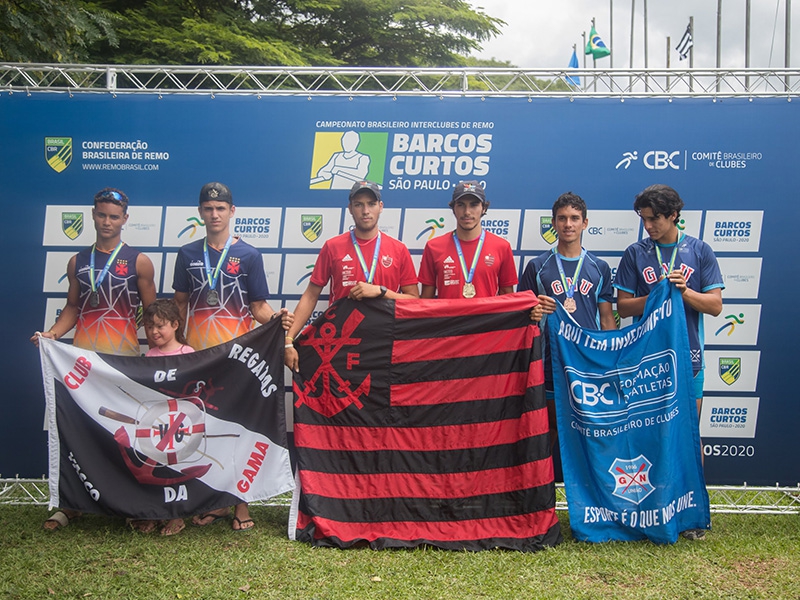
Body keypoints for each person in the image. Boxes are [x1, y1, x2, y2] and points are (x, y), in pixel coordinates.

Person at [31, 187, 157, 530]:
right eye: (101, 214)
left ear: (125, 220)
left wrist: (163, 351)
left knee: (124, 432)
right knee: (80, 429)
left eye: (114, 216)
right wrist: (53, 335)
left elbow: (153, 313)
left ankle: (131, 503)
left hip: (123, 361)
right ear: (93, 214)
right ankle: (72, 505)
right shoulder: (78, 261)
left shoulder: (139, 261)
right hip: (83, 361)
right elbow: (73, 307)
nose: (107, 221)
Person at [173, 181, 293, 531]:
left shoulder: (250, 256)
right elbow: (179, 304)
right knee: (200, 430)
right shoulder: (188, 254)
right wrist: (177, 351)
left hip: (237, 358)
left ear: (232, 211)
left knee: (238, 432)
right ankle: (210, 502)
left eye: (220, 209)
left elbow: (257, 307)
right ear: (200, 212)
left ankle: (240, 505)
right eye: (208, 209)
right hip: (199, 356)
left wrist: (276, 322)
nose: (214, 214)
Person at [613, 184, 723, 541]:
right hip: (646, 360)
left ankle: (691, 517)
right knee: (647, 434)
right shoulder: (635, 253)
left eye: (655, 218)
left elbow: (715, 305)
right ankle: (649, 508)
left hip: (688, 357)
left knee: (688, 435)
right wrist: (657, 293)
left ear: (674, 214)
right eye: (644, 219)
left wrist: (683, 291)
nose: (649, 226)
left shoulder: (699, 251)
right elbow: (623, 307)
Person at [285, 180, 418, 371]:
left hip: (385, 343)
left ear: (381, 207)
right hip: (342, 344)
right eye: (359, 204)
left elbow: (414, 301)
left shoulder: (398, 249)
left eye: (371, 204)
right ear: (350, 208)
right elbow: (311, 295)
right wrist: (289, 340)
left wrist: (381, 292)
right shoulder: (333, 246)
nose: (365, 211)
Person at [519, 192, 617, 450]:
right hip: (550, 361)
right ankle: (543, 489)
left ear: (585, 223)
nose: (568, 224)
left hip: (588, 363)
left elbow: (607, 319)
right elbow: (523, 318)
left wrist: (612, 362)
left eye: (574, 218)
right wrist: (536, 309)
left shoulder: (600, 267)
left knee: (589, 433)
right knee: (548, 430)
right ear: (553, 223)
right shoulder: (538, 266)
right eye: (562, 218)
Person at [141, 298, 194, 536]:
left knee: (176, 471)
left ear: (175, 324)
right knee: (153, 470)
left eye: (160, 326)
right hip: (154, 423)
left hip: (180, 425)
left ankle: (177, 516)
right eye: (149, 326)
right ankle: (153, 514)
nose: (154, 331)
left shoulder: (189, 354)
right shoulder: (148, 356)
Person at [419, 181, 519, 299]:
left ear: (484, 208)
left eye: (474, 205)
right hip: (448, 318)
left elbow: (508, 299)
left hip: (487, 318)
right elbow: (426, 300)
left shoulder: (502, 247)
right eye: (461, 205)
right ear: (453, 208)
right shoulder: (434, 247)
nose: (467, 212)